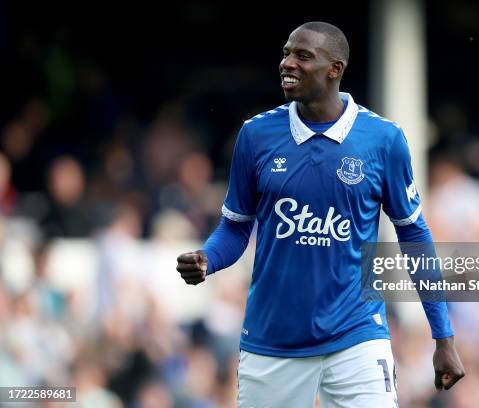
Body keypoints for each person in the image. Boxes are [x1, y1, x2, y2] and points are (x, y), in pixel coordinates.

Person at [176, 21, 464, 407]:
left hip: (357, 336)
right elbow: (235, 227)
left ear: (335, 68)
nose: (287, 63)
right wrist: (208, 258)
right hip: (271, 341)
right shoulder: (256, 136)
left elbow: (414, 236)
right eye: (285, 53)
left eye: (302, 56)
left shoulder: (383, 139)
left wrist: (442, 336)